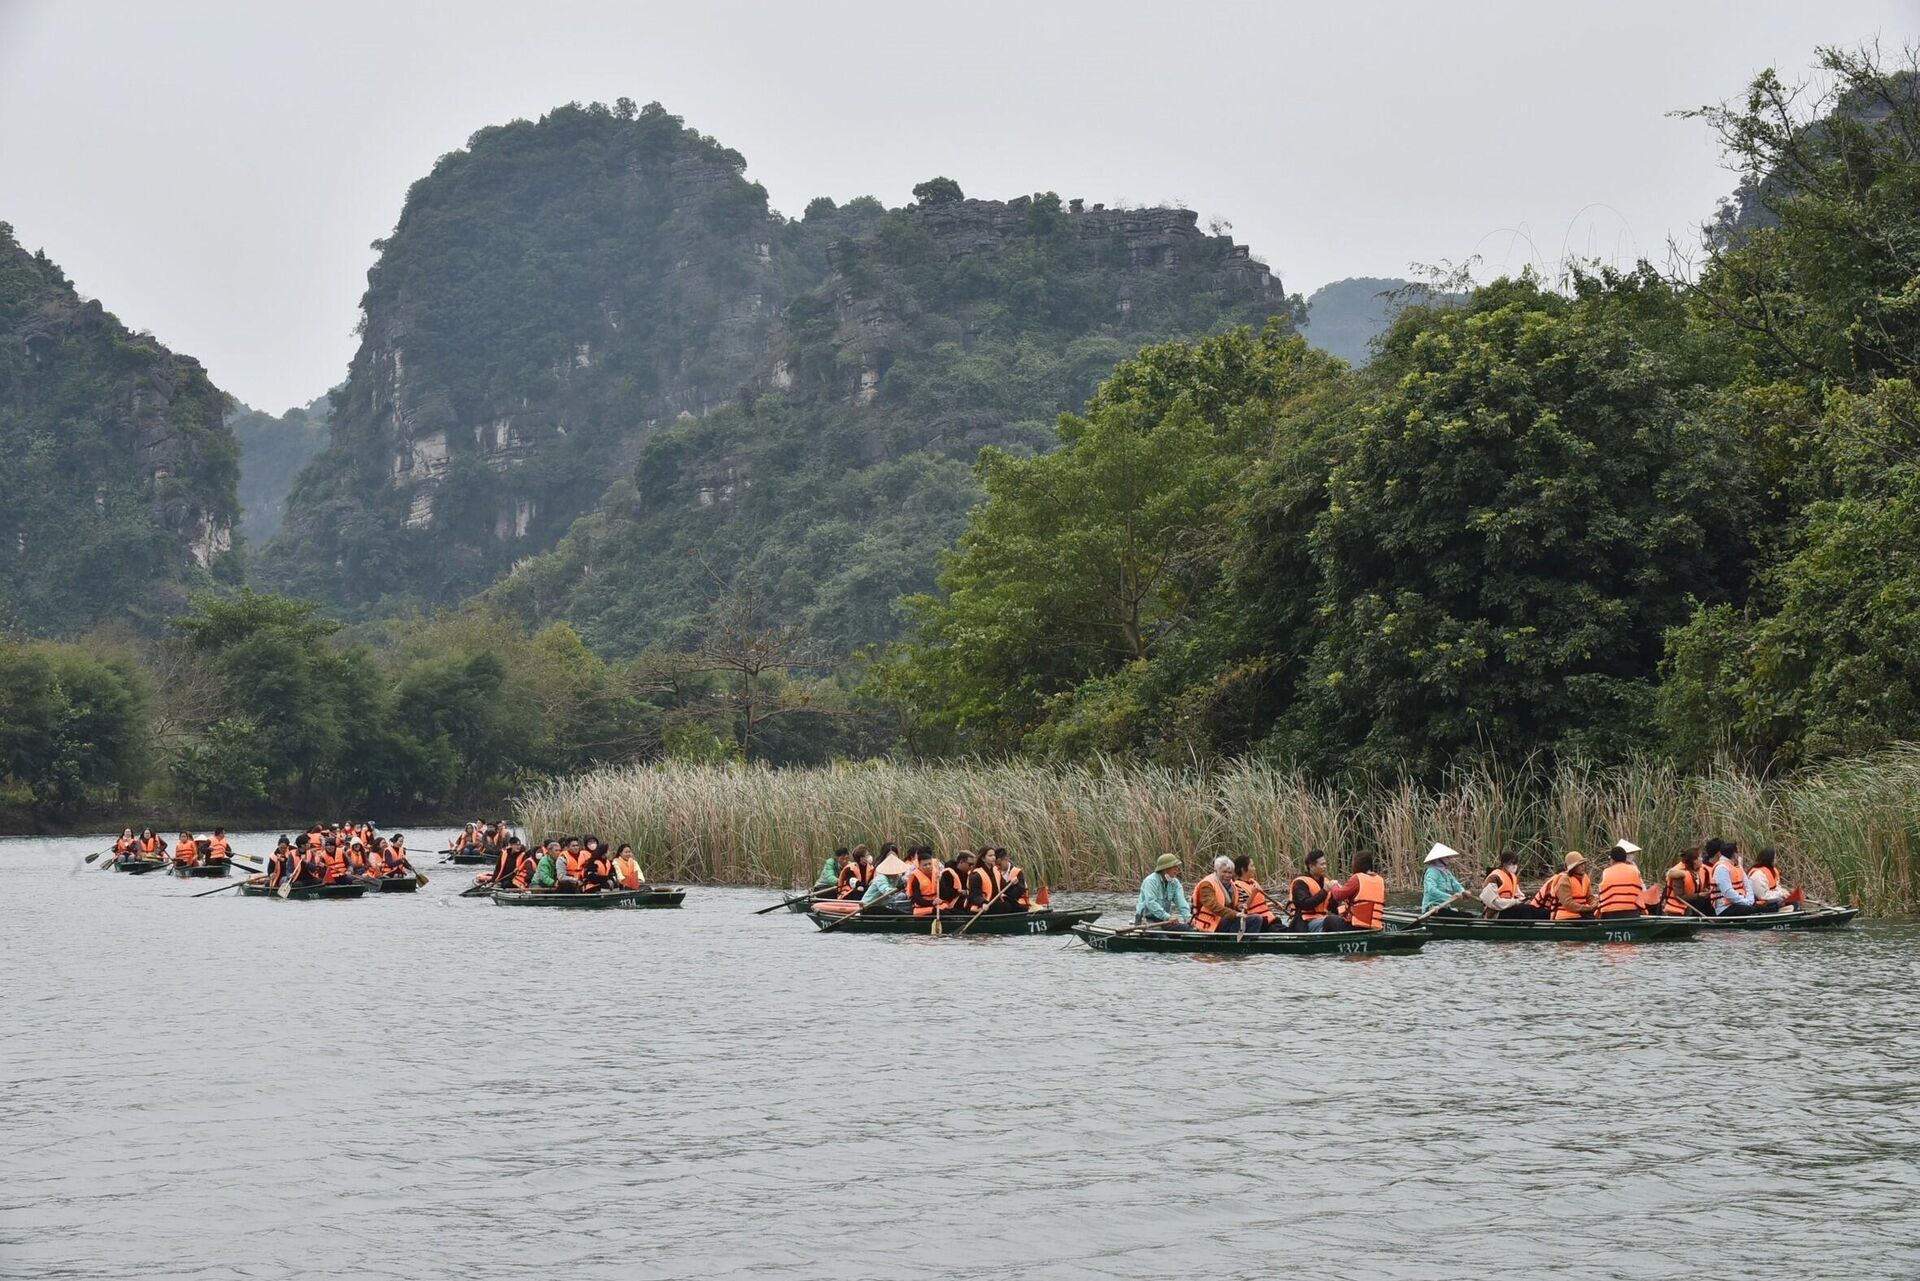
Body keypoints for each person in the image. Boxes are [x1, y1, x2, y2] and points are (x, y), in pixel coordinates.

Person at [1290, 849, 1356, 931]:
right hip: (1305, 923)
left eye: (1325, 864)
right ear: (1311, 866)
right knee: (1331, 920)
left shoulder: (1325, 882)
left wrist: (1346, 913)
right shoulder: (1300, 883)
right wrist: (1324, 891)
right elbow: (1305, 904)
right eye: (1322, 864)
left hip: (1322, 920)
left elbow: (1333, 906)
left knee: (1347, 921)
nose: (1325, 867)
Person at [1325, 851, 1387, 929]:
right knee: (1341, 908)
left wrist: (1333, 885)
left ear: (1356, 865)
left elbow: (1338, 895)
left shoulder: (1357, 878)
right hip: (1375, 925)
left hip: (1356, 926)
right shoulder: (1380, 880)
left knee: (1328, 920)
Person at [1135, 853, 1190, 930]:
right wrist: (1168, 917)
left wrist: (1188, 918)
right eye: (1174, 867)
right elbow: (1151, 903)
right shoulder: (1151, 881)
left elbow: (1181, 902)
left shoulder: (1175, 883)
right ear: (1165, 869)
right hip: (1146, 919)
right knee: (1160, 935)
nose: (1177, 869)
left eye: (1177, 867)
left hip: (1163, 919)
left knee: (1187, 929)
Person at [1534, 851, 1596, 919]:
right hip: (1567, 915)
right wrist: (1587, 908)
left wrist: (1594, 904)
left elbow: (1590, 897)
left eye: (1583, 864)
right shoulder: (1564, 879)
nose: (1583, 866)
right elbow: (1568, 904)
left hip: (1583, 912)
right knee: (1589, 920)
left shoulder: (1585, 878)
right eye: (1579, 865)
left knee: (1593, 918)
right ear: (1573, 867)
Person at [1711, 842, 1767, 916]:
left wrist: (1750, 900)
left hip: (1741, 902)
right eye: (1738, 853)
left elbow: (1747, 885)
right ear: (1734, 854)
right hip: (1725, 907)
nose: (1739, 855)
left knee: (1762, 907)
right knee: (1750, 910)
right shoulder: (1721, 868)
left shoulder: (1737, 866)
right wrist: (1745, 902)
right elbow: (1728, 892)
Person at [1595, 841, 1646, 918]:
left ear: (1612, 860)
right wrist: (1644, 911)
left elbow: (1601, 895)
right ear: (1625, 858)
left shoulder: (1606, 872)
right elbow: (1642, 892)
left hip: (1610, 914)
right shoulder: (1635, 870)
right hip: (1632, 913)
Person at [1421, 843, 1472, 916]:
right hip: (1432, 908)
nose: (1450, 859)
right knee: (1467, 916)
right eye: (1448, 857)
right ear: (1439, 859)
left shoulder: (1446, 872)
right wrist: (1451, 897)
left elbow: (1456, 884)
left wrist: (1463, 892)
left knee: (1470, 915)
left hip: (1444, 907)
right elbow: (1431, 890)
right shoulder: (1432, 872)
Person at [1231, 856, 1281, 928]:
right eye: (1252, 866)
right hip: (1258, 923)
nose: (1254, 869)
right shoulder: (1238, 887)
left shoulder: (1252, 883)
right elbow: (1242, 909)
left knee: (1280, 924)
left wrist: (1272, 905)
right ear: (1243, 869)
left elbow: (1257, 905)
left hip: (1269, 919)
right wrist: (1253, 894)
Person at [904, 849, 942, 916]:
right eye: (925, 865)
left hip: (936, 904)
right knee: (943, 913)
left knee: (950, 910)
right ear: (919, 865)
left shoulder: (937, 874)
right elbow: (917, 899)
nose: (928, 867)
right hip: (922, 907)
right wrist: (932, 902)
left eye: (930, 864)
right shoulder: (916, 878)